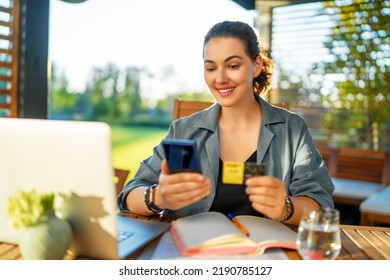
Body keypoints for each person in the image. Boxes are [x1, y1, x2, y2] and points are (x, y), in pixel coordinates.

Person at [117, 21, 334, 225]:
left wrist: (286, 208)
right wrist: (157, 197)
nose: (219, 79)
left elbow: (321, 206)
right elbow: (129, 195)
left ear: (256, 65)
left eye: (232, 66)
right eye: (211, 68)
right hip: (192, 254)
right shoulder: (184, 130)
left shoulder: (291, 129)